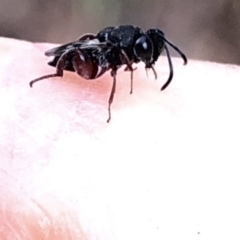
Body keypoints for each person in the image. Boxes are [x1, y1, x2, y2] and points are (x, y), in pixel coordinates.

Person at [1, 36, 240, 239]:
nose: (148, 57)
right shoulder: (118, 48)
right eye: (147, 53)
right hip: (87, 62)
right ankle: (57, 74)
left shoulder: (130, 47)